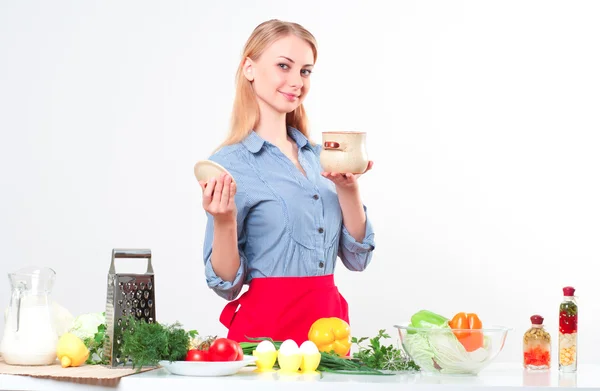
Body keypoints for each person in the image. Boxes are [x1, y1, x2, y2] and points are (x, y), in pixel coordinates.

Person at [199, 19, 375, 346]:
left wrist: (349, 190)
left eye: (305, 71)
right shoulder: (229, 164)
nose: (296, 81)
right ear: (249, 68)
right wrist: (224, 220)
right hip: (264, 337)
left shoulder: (321, 157)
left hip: (329, 335)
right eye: (284, 66)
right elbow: (225, 284)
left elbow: (358, 259)